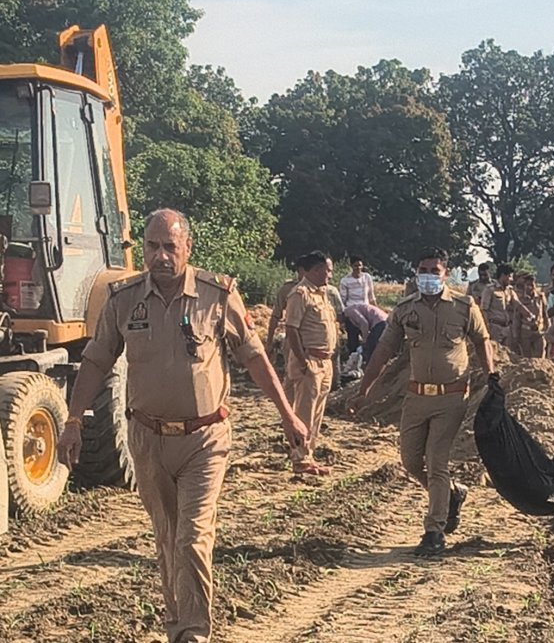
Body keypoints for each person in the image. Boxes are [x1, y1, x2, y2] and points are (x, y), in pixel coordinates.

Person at [56, 209, 308, 643]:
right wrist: (73, 421)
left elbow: (254, 358)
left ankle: (194, 633)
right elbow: (96, 360)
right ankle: (178, 627)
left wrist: (288, 415)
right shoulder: (123, 299)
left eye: (170, 247)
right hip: (147, 439)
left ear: (187, 248)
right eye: (152, 246)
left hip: (204, 440)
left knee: (192, 537)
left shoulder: (217, 294)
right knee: (168, 537)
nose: (160, 256)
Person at [348, 247, 495, 557]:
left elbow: (482, 341)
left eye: (434, 271)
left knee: (437, 461)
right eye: (423, 270)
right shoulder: (404, 310)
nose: (428, 276)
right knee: (411, 460)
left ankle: (434, 531)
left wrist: (491, 377)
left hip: (452, 397)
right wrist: (363, 390)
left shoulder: (464, 306)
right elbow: (383, 351)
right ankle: (452, 494)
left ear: (446, 274)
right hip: (416, 397)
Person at [285, 251, 339, 476]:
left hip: (325, 361)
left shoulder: (323, 294)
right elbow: (291, 329)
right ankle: (299, 458)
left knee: (317, 413)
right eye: (328, 271)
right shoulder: (300, 294)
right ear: (316, 270)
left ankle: (309, 455)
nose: (330, 275)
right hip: (310, 361)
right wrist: (302, 361)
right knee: (304, 412)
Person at [480, 264, 531, 349]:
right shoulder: (490, 289)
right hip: (494, 327)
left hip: (507, 329)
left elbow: (518, 305)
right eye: (509, 276)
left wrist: (529, 314)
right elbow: (484, 310)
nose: (511, 279)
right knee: (495, 351)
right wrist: (486, 328)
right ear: (503, 275)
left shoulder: (509, 290)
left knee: (507, 353)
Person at [340, 256, 377, 353]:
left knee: (369, 337)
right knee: (353, 340)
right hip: (352, 311)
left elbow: (371, 296)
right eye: (356, 266)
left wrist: (376, 309)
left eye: (360, 265)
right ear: (351, 266)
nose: (358, 268)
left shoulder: (367, 277)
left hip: (365, 310)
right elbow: (343, 299)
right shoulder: (345, 280)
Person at [513, 273, 549, 358]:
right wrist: (516, 335)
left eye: (532, 285)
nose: (530, 287)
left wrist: (547, 328)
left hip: (539, 331)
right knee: (526, 357)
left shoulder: (540, 297)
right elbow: (517, 318)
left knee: (540, 356)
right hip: (525, 332)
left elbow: (545, 313)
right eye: (527, 285)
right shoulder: (520, 299)